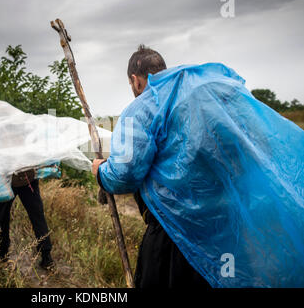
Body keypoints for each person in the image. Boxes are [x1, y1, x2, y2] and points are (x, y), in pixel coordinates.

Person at [92, 45, 304, 288]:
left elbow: (125, 174)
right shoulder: (210, 92)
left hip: (174, 235)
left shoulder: (138, 110)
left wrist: (101, 172)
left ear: (135, 80)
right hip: (228, 228)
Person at [0, 168, 54, 270]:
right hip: (18, 179)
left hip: (18, 180)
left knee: (4, 217)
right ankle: (2, 251)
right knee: (36, 217)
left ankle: (2, 253)